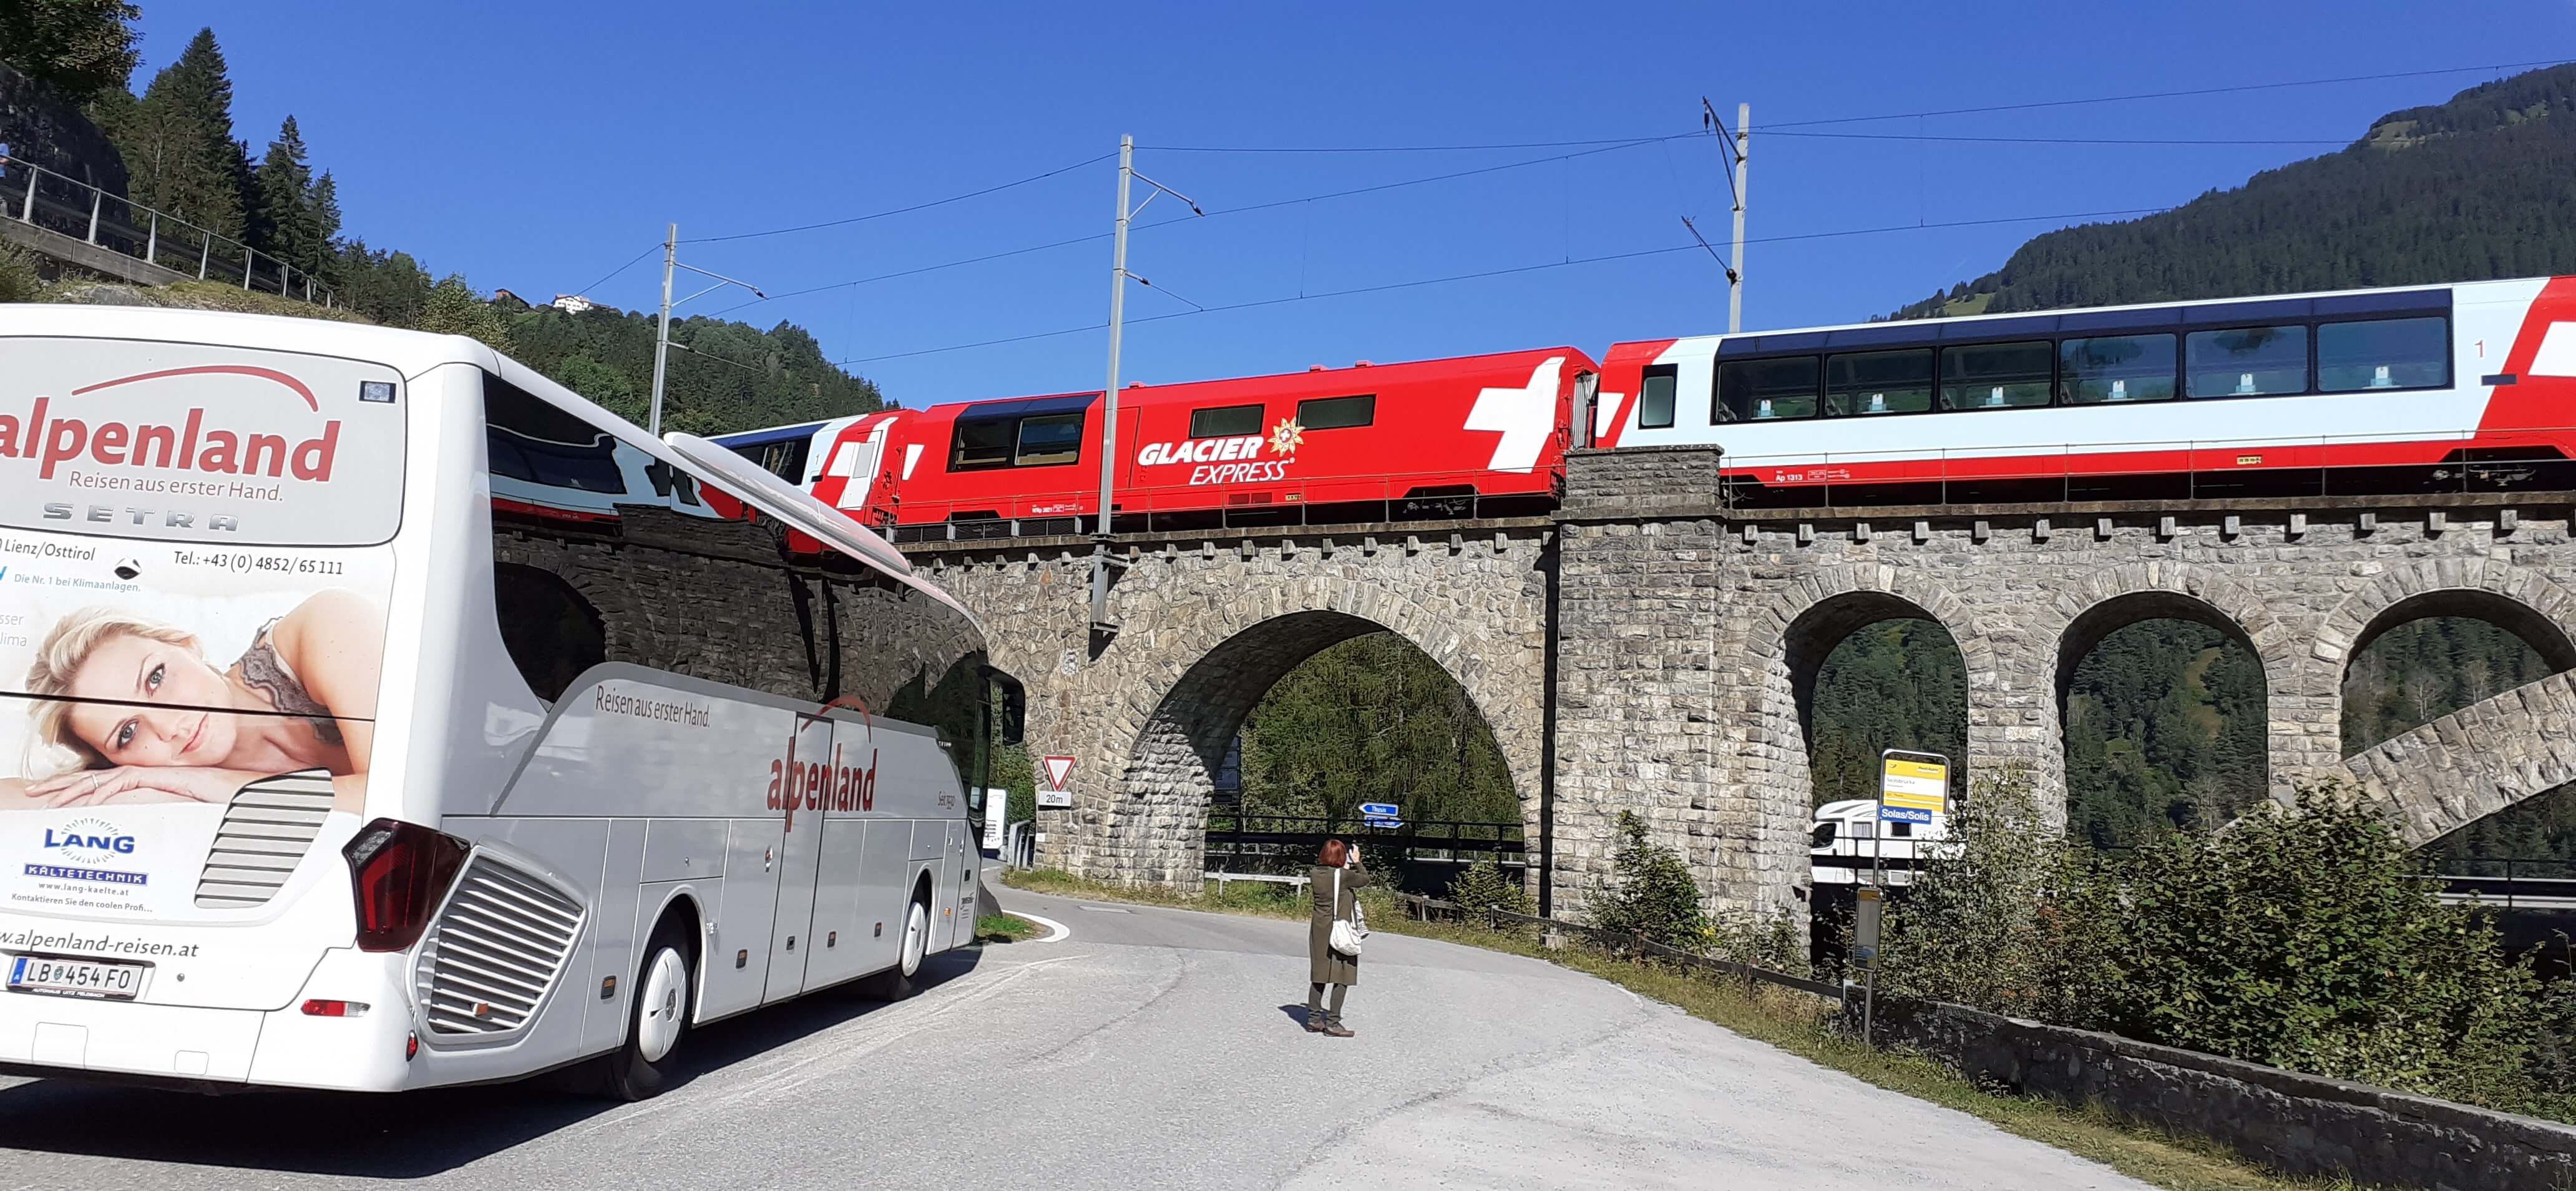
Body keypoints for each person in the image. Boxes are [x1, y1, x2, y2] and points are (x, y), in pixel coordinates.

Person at [5, 591, 386, 815]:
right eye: (129, 732)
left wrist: (209, 783)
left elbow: (391, 799)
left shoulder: (325, 626)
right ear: (116, 763)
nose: (170, 727)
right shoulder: (154, 783)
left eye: (156, 678)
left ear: (187, 645)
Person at [1305, 838, 1372, 1037]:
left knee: (1320, 974)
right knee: (1342, 974)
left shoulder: (1315, 873)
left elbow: (1334, 877)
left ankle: (1314, 1019)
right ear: (1342, 857)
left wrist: (1343, 866)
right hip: (1341, 929)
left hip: (1319, 929)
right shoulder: (1344, 876)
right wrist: (1357, 861)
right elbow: (1364, 879)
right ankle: (1333, 1022)